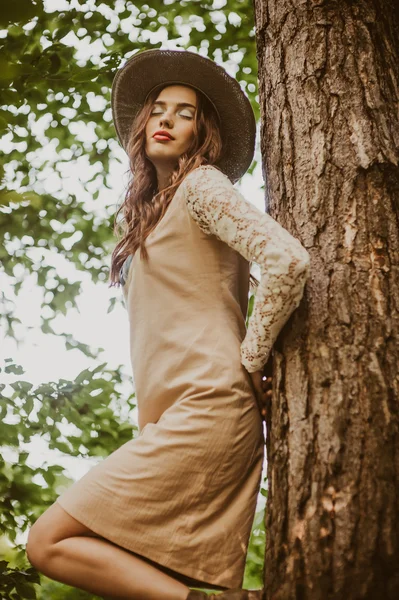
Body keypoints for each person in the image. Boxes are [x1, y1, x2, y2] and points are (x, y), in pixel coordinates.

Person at [26, 49, 310, 600]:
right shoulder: (139, 218)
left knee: (49, 542)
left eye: (184, 112)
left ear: (203, 131)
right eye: (158, 108)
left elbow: (287, 260)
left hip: (210, 405)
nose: (166, 119)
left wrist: (252, 361)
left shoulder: (202, 185)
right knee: (132, 565)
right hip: (167, 418)